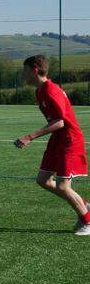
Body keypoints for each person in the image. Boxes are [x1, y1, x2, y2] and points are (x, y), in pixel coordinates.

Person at [14, 55, 90, 235]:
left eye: (25, 71)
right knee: (43, 180)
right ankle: (84, 204)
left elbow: (60, 122)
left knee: (63, 186)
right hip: (57, 139)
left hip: (69, 140)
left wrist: (29, 136)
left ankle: (87, 220)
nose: (22, 74)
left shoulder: (50, 90)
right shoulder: (40, 91)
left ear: (34, 70)